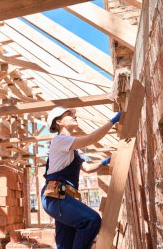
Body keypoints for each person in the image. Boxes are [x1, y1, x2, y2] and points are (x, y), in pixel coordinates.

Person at [42, 107, 122, 249]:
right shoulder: (60, 140)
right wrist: (113, 121)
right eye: (69, 114)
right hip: (56, 194)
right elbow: (91, 139)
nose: (74, 115)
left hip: (63, 196)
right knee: (91, 220)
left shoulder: (72, 149)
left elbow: (88, 168)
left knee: (66, 243)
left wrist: (106, 161)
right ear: (59, 122)